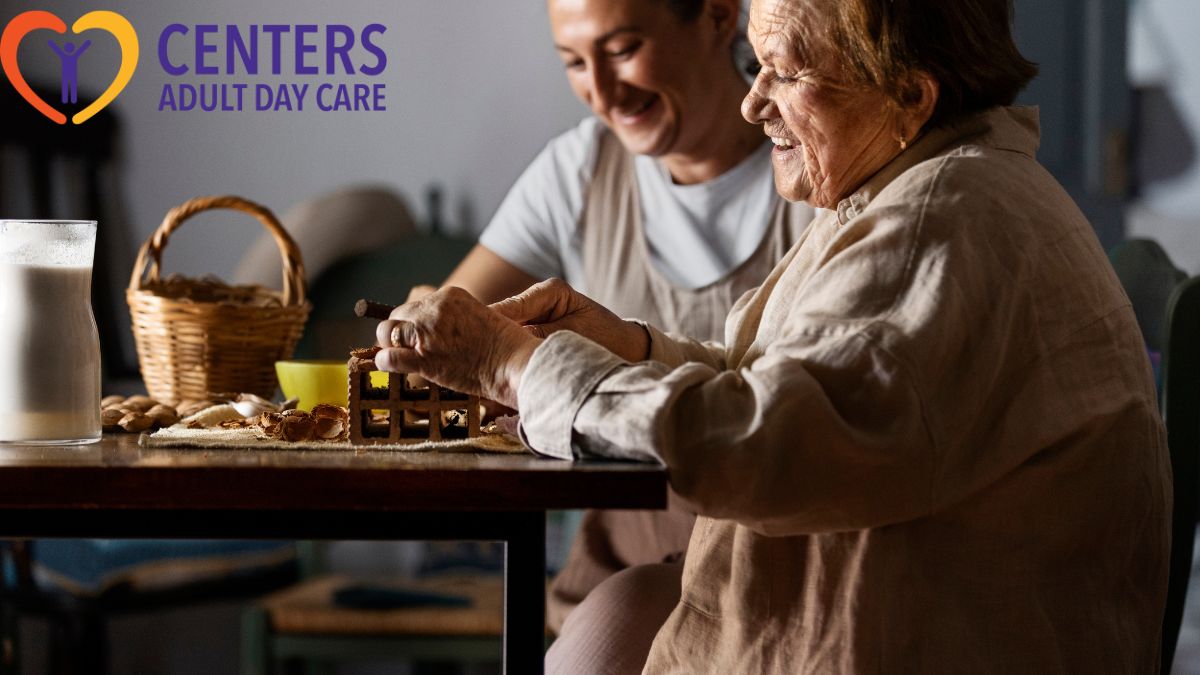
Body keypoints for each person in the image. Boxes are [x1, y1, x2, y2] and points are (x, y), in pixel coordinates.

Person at [376, 0, 1171, 671]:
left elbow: (767, 443)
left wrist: (513, 364)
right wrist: (630, 346)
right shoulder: (920, 189)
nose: (756, 104)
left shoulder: (938, 224)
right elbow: (803, 381)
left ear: (909, 96)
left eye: (786, 73)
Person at [419, 0, 815, 632]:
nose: (600, 92)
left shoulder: (821, 162)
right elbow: (453, 316)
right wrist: (434, 325)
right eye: (574, 63)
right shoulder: (578, 171)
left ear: (716, 16)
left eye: (623, 49)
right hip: (619, 567)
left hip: (789, 569)